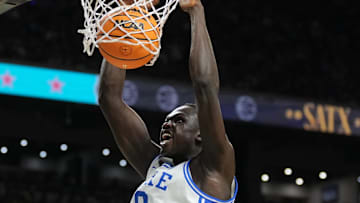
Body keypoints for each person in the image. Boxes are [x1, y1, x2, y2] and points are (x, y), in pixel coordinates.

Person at [97, 0, 237, 202]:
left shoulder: (214, 169)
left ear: (201, 134)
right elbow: (109, 99)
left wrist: (196, 11)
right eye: (168, 119)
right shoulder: (156, 165)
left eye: (179, 120)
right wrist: (125, 19)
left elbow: (205, 85)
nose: (167, 123)